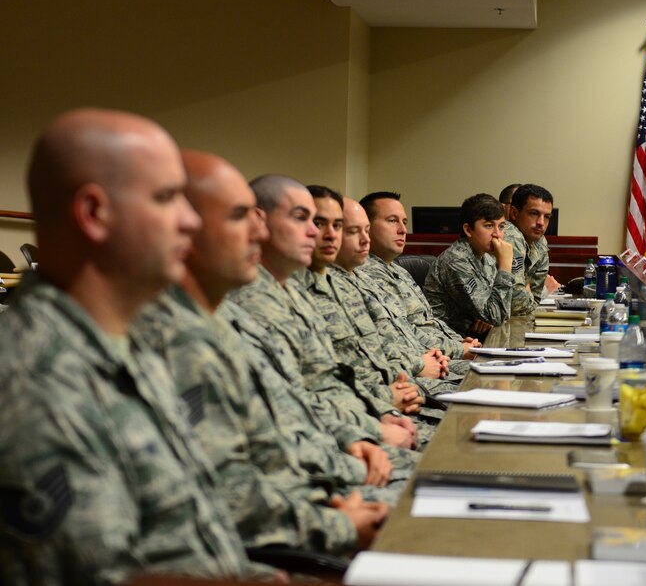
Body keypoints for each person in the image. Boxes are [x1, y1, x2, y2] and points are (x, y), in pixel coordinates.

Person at [0, 109, 281, 584]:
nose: (191, 221)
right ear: (94, 214)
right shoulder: (36, 382)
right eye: (168, 198)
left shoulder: (125, 344)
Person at [131, 151, 390, 557]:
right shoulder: (170, 335)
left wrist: (355, 439)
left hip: (310, 490)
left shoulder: (224, 317)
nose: (258, 231)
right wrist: (337, 513)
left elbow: (290, 408)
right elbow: (230, 491)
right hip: (283, 524)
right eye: (239, 216)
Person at [230, 175, 420, 463]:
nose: (320, 234)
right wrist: (374, 422)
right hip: (323, 455)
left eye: (337, 225)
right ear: (259, 222)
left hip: (356, 424)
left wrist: (379, 412)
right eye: (309, 221)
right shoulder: (251, 302)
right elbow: (293, 405)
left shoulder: (295, 291)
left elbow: (332, 377)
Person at [301, 187, 446, 447]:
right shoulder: (301, 291)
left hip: (389, 400)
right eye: (353, 230)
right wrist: (389, 396)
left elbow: (386, 344)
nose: (328, 234)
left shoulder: (346, 283)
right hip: (359, 422)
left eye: (337, 225)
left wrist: (401, 386)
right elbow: (315, 387)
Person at [359, 191, 479, 369]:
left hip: (441, 353)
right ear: (366, 227)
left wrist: (457, 341)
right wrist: (458, 349)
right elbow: (405, 330)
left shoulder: (398, 270)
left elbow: (427, 321)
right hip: (423, 363)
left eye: (404, 222)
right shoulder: (367, 275)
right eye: (392, 220)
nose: (403, 230)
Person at [423, 193, 514, 337]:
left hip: (474, 338)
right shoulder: (456, 261)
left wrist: (490, 315)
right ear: (468, 230)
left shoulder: (487, 258)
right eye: (489, 225)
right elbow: (496, 315)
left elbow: (504, 309)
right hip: (448, 344)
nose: (498, 234)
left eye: (501, 227)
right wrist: (505, 266)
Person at [504, 183, 561, 315]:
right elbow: (517, 304)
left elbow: (534, 300)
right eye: (534, 213)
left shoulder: (540, 241)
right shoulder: (510, 235)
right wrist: (527, 289)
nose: (541, 222)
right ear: (514, 213)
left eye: (546, 217)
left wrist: (527, 290)